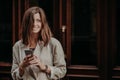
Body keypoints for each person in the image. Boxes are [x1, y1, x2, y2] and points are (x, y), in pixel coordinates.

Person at [11, 6, 67, 80]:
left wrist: (44, 67)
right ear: (26, 23)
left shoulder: (54, 43)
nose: (34, 24)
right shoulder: (17, 46)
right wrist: (21, 67)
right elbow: (14, 75)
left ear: (43, 23)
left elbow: (62, 70)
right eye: (31, 21)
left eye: (38, 20)